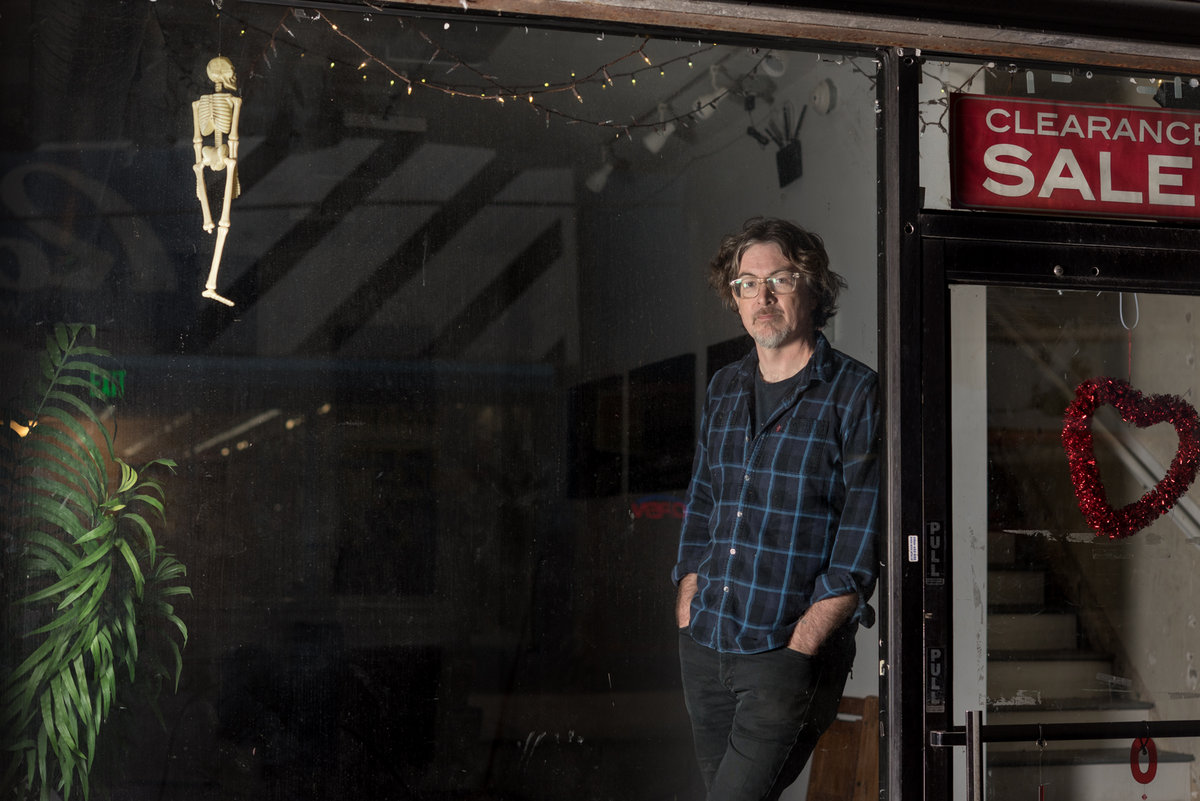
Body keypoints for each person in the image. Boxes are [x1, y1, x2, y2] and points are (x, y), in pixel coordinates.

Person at [673, 217, 880, 800]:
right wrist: (688, 603)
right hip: (705, 644)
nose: (762, 297)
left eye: (780, 280)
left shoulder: (855, 393)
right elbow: (702, 502)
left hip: (782, 656)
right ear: (735, 297)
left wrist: (801, 647)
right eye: (747, 284)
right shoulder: (725, 387)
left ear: (813, 289)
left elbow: (861, 540)